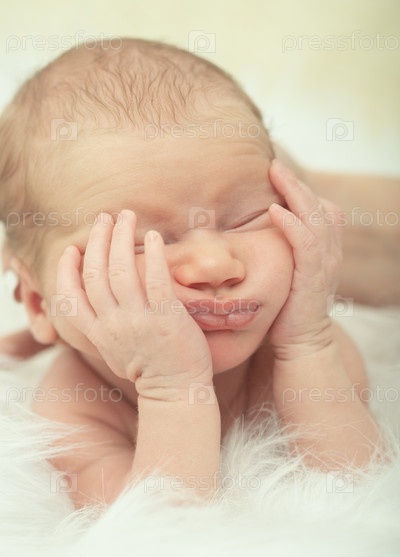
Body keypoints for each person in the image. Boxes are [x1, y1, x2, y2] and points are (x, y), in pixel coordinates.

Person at [0, 38, 384, 508]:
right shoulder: (74, 409)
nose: (214, 265)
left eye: (247, 219)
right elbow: (161, 531)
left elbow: (361, 490)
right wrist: (173, 390)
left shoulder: (304, 347)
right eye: (140, 243)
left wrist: (308, 344)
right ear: (39, 302)